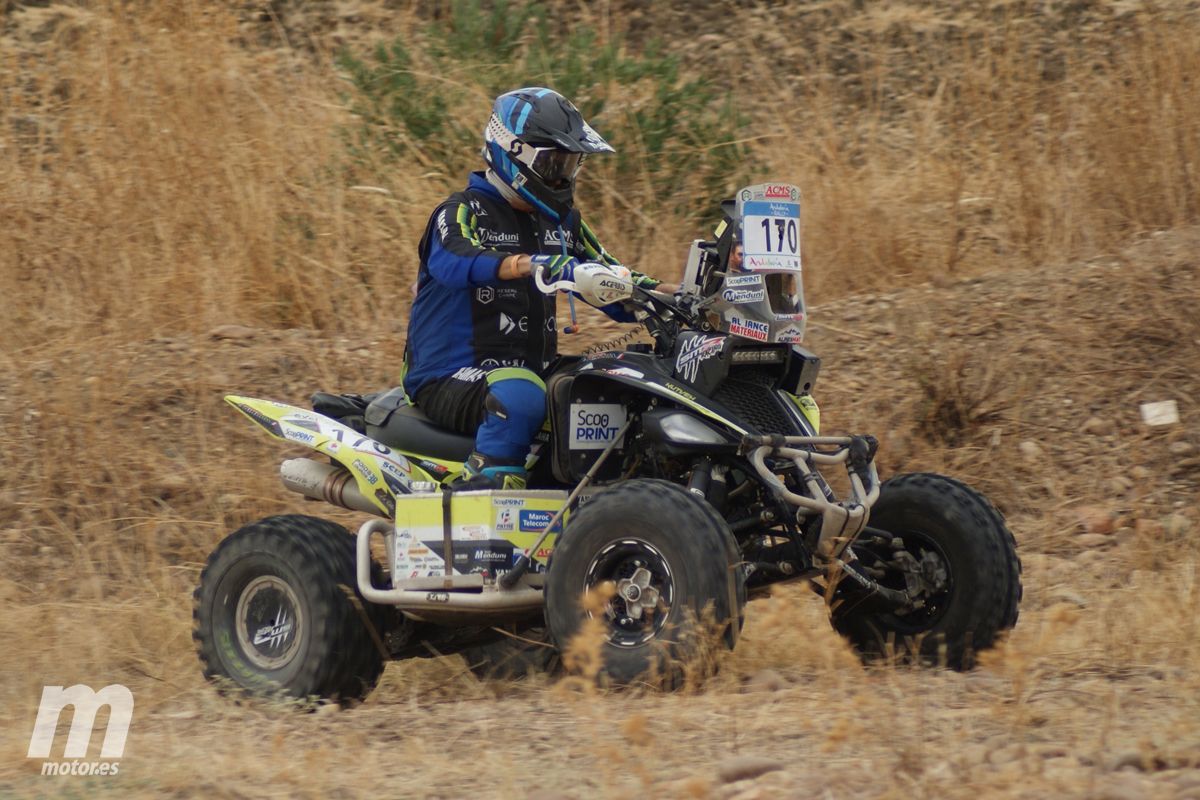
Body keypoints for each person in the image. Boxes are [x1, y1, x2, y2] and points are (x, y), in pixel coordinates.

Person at [402, 87, 663, 490]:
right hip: (448, 374)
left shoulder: (562, 225)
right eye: (553, 162)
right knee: (520, 395)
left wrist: (680, 297)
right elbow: (454, 259)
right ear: (513, 153)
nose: (562, 175)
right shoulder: (459, 211)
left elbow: (613, 276)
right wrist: (530, 264)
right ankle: (483, 496)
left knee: (622, 381)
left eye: (570, 164)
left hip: (533, 368)